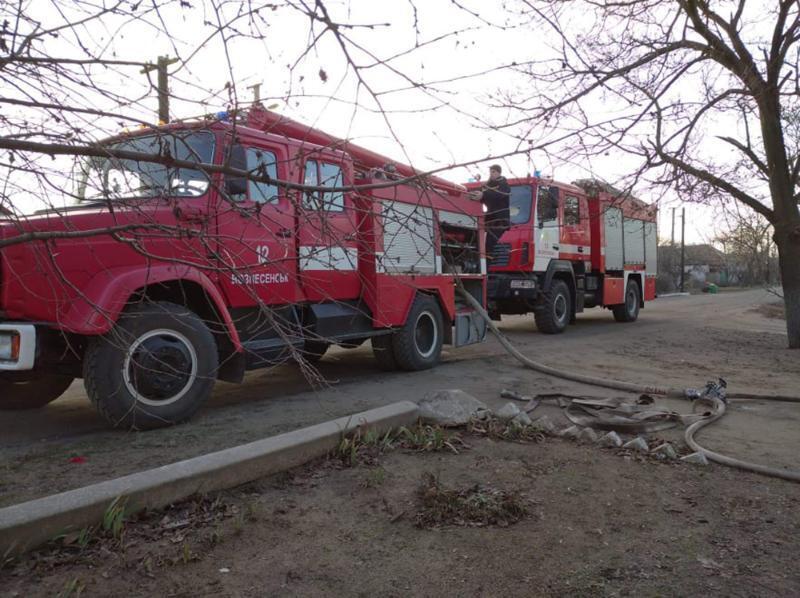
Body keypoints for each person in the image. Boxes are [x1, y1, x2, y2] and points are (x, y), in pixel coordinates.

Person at [480, 164, 511, 257]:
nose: (491, 174)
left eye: (493, 172)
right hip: (490, 220)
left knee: (490, 244)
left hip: (500, 221)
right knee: (485, 245)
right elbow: (483, 197)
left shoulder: (503, 184)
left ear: (499, 172)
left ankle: (488, 265)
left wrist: (483, 195)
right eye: (490, 172)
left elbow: (497, 195)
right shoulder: (488, 185)